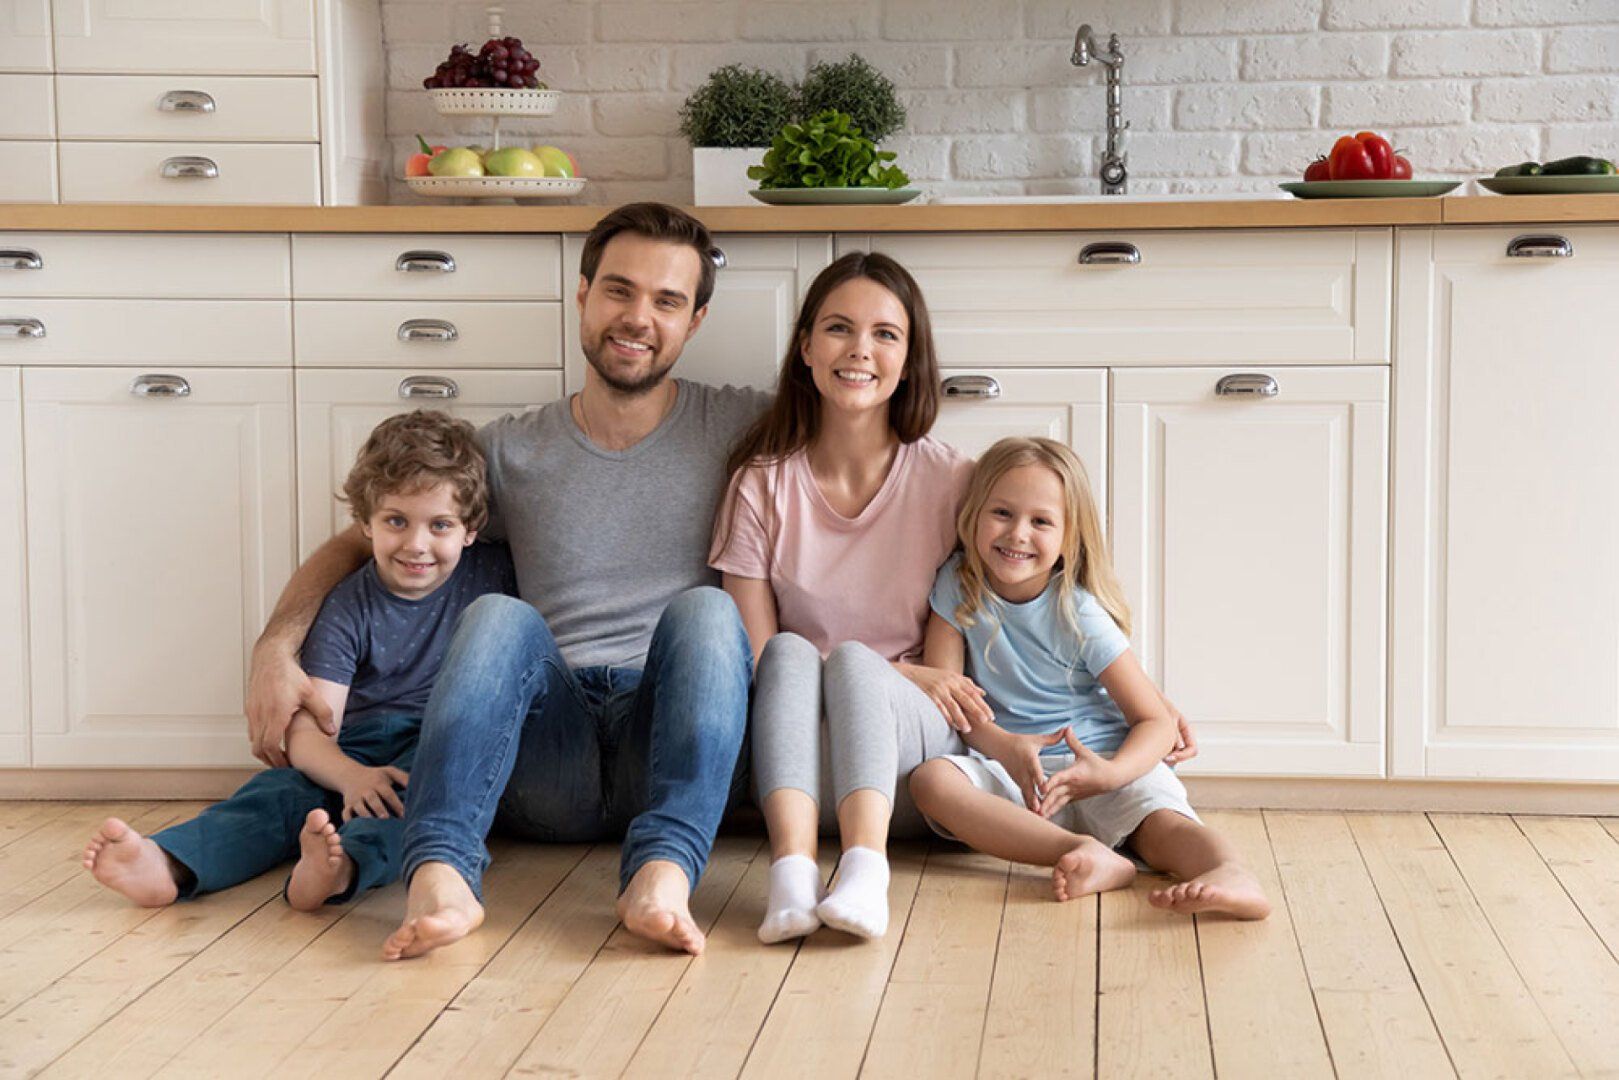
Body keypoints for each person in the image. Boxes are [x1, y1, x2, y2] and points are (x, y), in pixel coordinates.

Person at [244, 203, 767, 959]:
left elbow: (864, 431)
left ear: (696, 320)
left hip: (669, 740)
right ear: (582, 295)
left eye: (667, 300)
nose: (638, 318)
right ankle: (442, 875)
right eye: (618, 290)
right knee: (497, 616)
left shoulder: (743, 426)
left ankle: (662, 874)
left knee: (708, 612)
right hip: (543, 751)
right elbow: (362, 539)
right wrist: (276, 646)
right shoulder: (510, 450)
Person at [83, 411, 515, 910]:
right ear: (365, 524)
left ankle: (340, 869)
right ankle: (169, 862)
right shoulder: (347, 605)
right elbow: (310, 732)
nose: (417, 545)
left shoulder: (492, 577)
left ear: (470, 530)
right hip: (352, 748)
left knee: (416, 798)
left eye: (440, 525)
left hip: (439, 743)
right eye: (396, 521)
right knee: (275, 796)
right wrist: (350, 776)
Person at [710, 251, 986, 943]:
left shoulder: (953, 481)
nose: (860, 350)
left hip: (912, 757)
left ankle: (866, 870)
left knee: (849, 664)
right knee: (789, 654)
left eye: (885, 334)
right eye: (838, 328)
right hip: (795, 755)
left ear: (909, 359)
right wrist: (886, 669)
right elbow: (758, 659)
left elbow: (967, 655)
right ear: (805, 347)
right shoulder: (760, 482)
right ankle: (792, 875)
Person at [909, 437, 1269, 918]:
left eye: (1041, 522)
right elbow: (952, 698)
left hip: (1101, 760)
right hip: (1011, 767)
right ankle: (1081, 851)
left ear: (1069, 537)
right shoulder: (957, 584)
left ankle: (1230, 872)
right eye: (1002, 513)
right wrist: (1006, 747)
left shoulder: (1079, 612)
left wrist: (1110, 774)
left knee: (1163, 827)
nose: (1017, 533)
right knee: (932, 782)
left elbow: (1156, 722)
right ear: (973, 514)